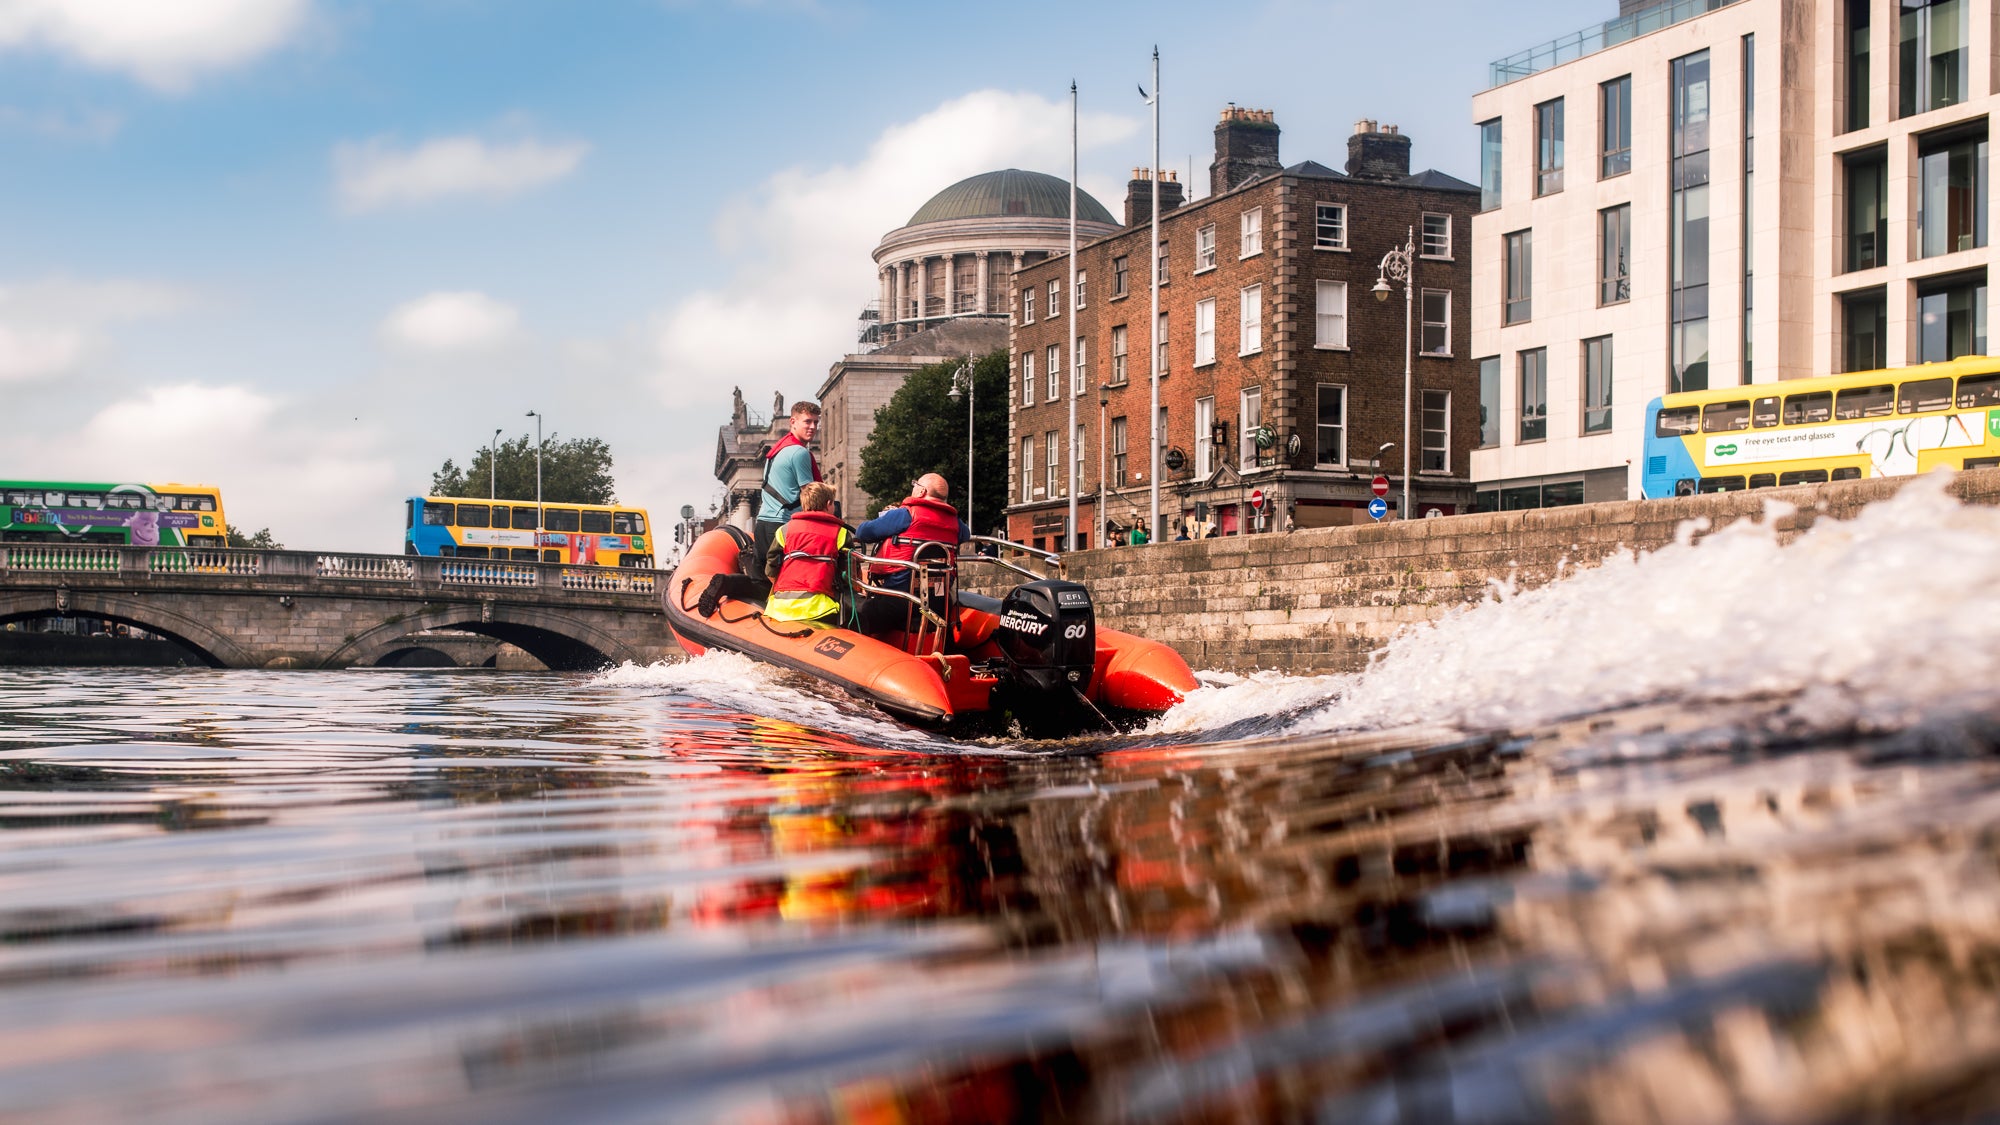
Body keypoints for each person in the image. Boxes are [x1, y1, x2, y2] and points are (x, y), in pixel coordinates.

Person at [853, 472, 971, 637]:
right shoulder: (956, 524)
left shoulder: (905, 515)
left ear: (921, 492)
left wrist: (888, 519)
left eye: (915, 484)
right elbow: (966, 536)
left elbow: (863, 532)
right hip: (938, 602)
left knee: (859, 618)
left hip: (899, 599)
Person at [762, 482, 851, 624]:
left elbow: (770, 566)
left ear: (804, 504)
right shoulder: (840, 532)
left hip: (780, 607)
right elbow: (850, 572)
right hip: (818, 607)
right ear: (828, 504)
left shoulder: (785, 530)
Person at [754, 401, 823, 574]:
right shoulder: (799, 453)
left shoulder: (777, 450)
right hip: (782, 527)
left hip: (762, 525)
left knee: (763, 586)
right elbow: (812, 497)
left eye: (816, 422)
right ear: (793, 422)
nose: (813, 427)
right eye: (807, 421)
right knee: (792, 583)